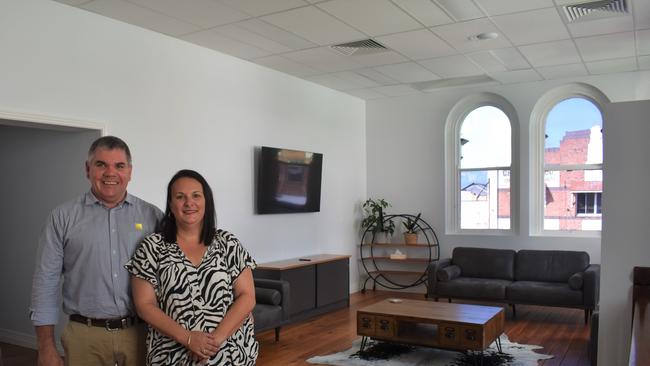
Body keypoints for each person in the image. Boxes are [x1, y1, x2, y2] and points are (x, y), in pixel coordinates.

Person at [29, 136, 163, 366]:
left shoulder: (153, 217)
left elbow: (171, 278)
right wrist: (45, 346)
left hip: (142, 334)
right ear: (87, 169)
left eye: (119, 166)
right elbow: (45, 281)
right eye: (101, 164)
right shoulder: (62, 217)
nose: (110, 173)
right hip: (84, 338)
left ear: (130, 172)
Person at [125, 169, 258, 366]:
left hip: (231, 354)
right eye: (180, 197)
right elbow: (145, 306)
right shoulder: (151, 247)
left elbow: (247, 297)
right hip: (172, 357)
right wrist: (188, 338)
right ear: (171, 204)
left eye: (196, 195)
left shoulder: (228, 242)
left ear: (206, 201)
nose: (189, 203)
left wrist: (214, 342)